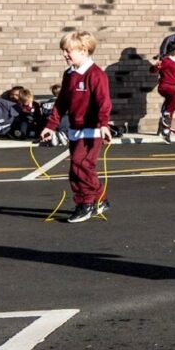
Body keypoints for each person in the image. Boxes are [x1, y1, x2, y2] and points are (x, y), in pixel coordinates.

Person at [42, 31, 113, 223]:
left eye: (68, 51)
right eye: (63, 51)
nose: (64, 54)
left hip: (92, 129)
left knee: (82, 166)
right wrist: (51, 125)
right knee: (77, 168)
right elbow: (62, 102)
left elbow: (103, 102)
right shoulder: (70, 74)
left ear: (83, 50)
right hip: (75, 128)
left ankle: (86, 203)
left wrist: (104, 124)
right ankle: (100, 200)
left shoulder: (96, 74)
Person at [153, 39, 175, 141]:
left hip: (172, 87)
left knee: (169, 108)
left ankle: (164, 131)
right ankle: (166, 114)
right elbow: (153, 70)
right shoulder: (166, 61)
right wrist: (156, 67)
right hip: (164, 87)